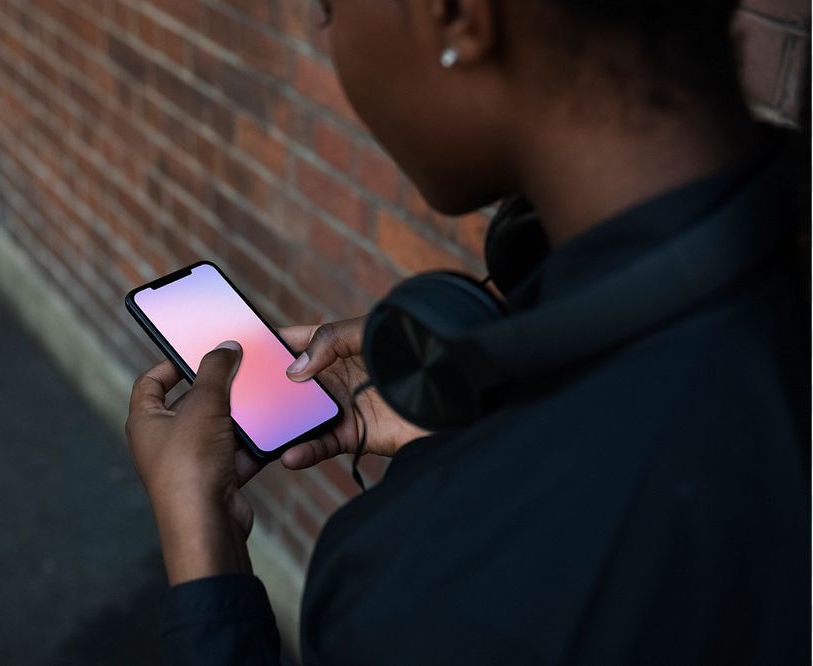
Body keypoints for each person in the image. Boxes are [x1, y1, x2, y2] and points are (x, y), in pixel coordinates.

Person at [124, 0, 809, 663]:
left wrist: (202, 555)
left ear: (457, 14)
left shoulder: (422, 586)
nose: (321, 28)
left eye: (330, 4)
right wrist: (492, 402)